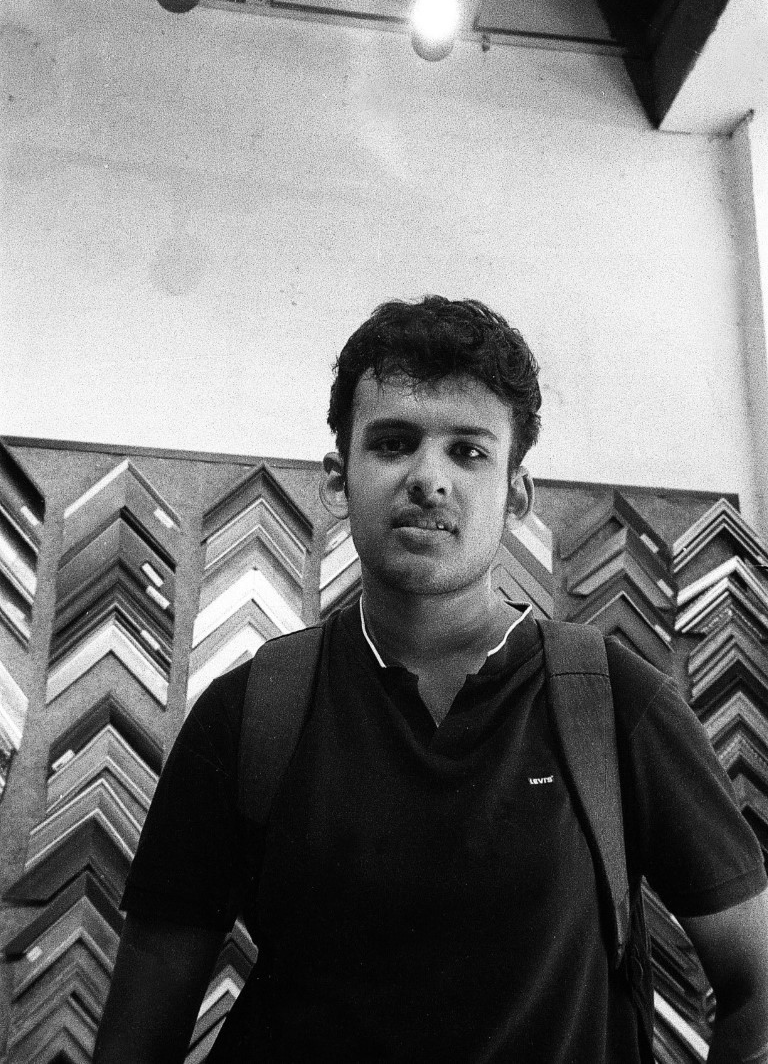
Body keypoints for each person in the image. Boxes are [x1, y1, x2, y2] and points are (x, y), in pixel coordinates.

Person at [94, 296, 768, 1064]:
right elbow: (136, 1038)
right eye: (393, 443)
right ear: (339, 478)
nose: (428, 479)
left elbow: (759, 986)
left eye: (468, 451)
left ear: (517, 492)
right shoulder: (250, 711)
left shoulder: (613, 703)